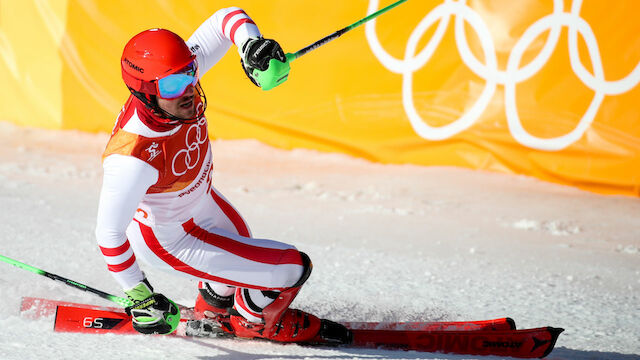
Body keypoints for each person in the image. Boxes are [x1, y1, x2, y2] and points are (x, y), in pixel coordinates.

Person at [95, 7, 319, 342]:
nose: (187, 88)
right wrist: (140, 296)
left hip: (201, 203)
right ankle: (252, 319)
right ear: (146, 92)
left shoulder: (174, 79)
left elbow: (226, 19)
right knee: (293, 268)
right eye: (173, 85)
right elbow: (109, 234)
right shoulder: (133, 155)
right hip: (171, 240)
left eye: (190, 73)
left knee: (238, 248)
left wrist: (250, 46)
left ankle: (214, 308)